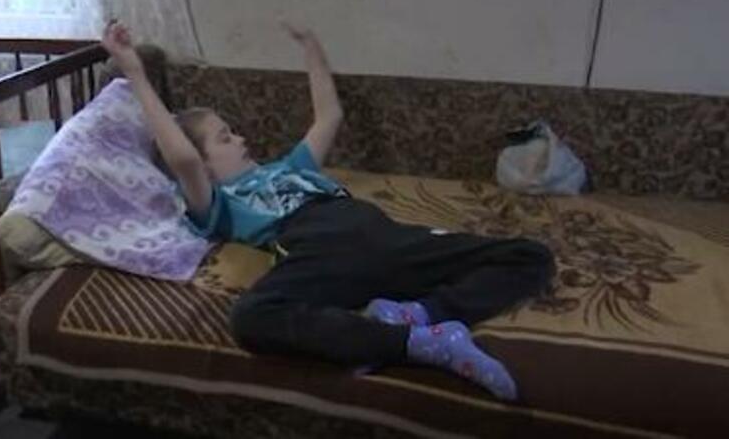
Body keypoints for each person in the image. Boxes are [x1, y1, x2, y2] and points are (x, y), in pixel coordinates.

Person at [100, 20, 554, 400]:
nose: (240, 138)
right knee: (251, 316)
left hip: (386, 236)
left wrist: (311, 46)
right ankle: (419, 344)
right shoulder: (218, 203)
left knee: (529, 255)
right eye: (225, 138)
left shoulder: (290, 168)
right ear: (206, 168)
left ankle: (421, 315)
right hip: (320, 249)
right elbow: (182, 158)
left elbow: (329, 116)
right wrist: (135, 72)